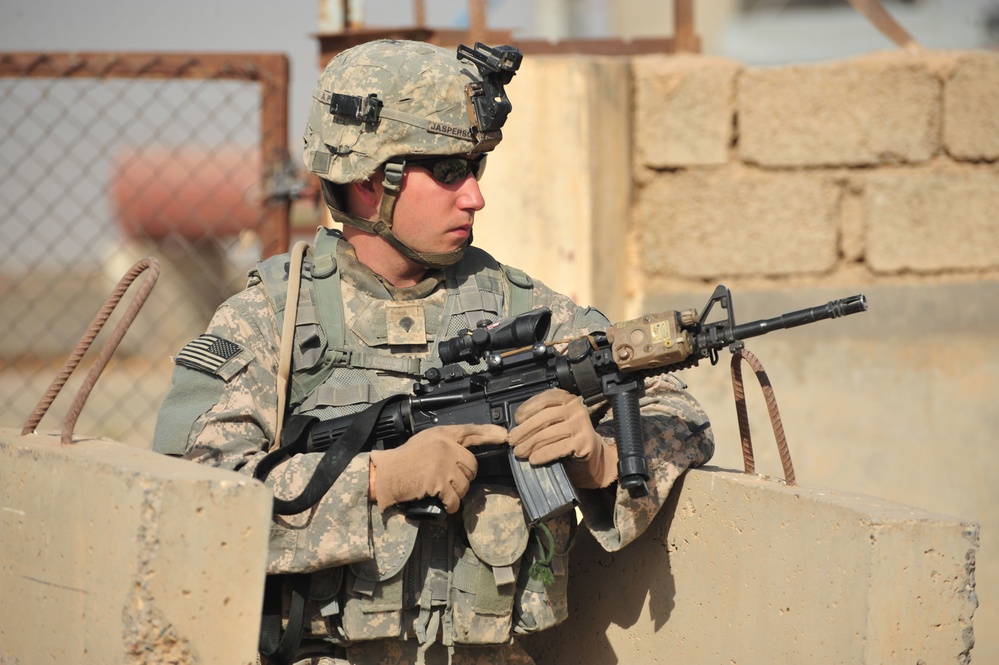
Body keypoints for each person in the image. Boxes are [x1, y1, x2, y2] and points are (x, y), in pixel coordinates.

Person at [153, 39, 714, 665]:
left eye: (476, 169)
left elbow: (680, 416)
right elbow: (193, 507)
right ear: (371, 180)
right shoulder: (272, 323)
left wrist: (600, 459)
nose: (474, 196)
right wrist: (375, 481)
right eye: (449, 173)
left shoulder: (526, 313)